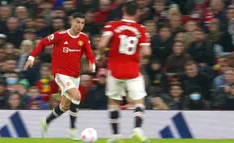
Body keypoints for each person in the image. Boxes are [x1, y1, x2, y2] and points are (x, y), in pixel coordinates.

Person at [23, 12, 96, 140]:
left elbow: (89, 53)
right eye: (77, 22)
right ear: (72, 22)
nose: (80, 25)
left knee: (65, 105)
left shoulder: (83, 38)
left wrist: (92, 63)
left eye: (82, 23)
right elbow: (42, 43)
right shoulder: (60, 36)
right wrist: (31, 57)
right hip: (60, 73)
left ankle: (46, 122)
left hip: (75, 75)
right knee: (77, 95)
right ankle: (73, 129)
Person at [98, 1, 151, 143]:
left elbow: (102, 44)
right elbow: (146, 52)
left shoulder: (112, 25)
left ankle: (116, 136)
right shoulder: (141, 29)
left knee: (113, 103)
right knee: (139, 101)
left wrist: (100, 54)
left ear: (123, 10)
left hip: (115, 70)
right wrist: (141, 53)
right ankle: (137, 129)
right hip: (133, 70)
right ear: (137, 12)